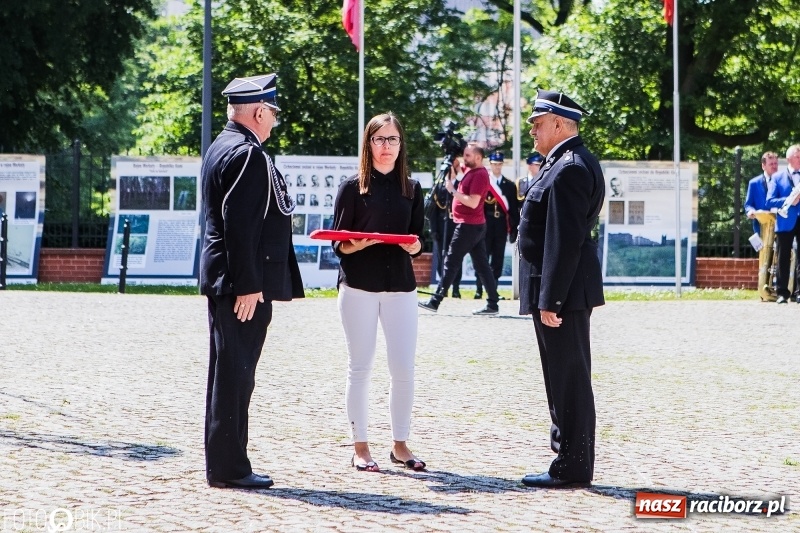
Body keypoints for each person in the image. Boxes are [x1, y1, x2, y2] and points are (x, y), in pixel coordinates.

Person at [200, 73, 304, 489]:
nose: (274, 122)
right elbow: (240, 226)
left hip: (229, 279)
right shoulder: (248, 155)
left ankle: (227, 462)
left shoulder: (223, 146)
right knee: (236, 374)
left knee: (230, 371)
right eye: (272, 114)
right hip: (240, 284)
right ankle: (229, 467)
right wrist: (247, 284)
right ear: (259, 112)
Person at [517, 89, 605, 488]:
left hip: (562, 292)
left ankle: (572, 465)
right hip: (559, 289)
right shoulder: (566, 161)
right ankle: (566, 457)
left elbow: (564, 238)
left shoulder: (569, 166)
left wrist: (550, 297)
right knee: (562, 375)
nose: (532, 130)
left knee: (568, 378)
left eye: (537, 124)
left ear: (558, 123)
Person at [332, 112, 426, 473]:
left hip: (400, 288)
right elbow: (339, 246)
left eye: (393, 140)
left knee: (403, 369)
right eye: (379, 139)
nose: (386, 147)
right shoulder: (351, 188)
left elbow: (420, 240)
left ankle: (400, 445)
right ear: (368, 143)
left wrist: (414, 247)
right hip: (358, 288)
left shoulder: (413, 189)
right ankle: (361, 447)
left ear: (401, 145)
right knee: (360, 367)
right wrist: (359, 244)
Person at [418, 143, 501, 315]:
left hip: (468, 226)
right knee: (482, 266)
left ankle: (435, 301)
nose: (465, 158)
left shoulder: (479, 175)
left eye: (468, 155)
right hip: (474, 225)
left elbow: (473, 202)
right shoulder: (472, 171)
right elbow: (457, 167)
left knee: (451, 262)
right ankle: (493, 304)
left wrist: (453, 191)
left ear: (478, 158)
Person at [474, 150, 519, 299]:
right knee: (482, 256)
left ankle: (494, 289)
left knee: (498, 258)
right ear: (490, 165)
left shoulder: (510, 186)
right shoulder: (485, 183)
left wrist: (514, 229)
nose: (497, 167)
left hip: (500, 225)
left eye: (499, 164)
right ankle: (479, 288)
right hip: (485, 225)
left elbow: (512, 209)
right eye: (494, 164)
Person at [766, 144, 800, 304]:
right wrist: (789, 201)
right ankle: (782, 293)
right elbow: (769, 201)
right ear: (789, 159)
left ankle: (799, 293)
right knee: (783, 257)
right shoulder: (777, 178)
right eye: (798, 157)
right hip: (785, 220)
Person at [426, 157, 463, 298]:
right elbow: (433, 212)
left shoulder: (460, 185)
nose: (458, 167)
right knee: (443, 257)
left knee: (456, 256)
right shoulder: (439, 186)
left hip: (456, 224)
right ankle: (443, 286)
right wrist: (434, 229)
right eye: (456, 165)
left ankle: (456, 287)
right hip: (442, 225)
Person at [745, 151, 778, 235]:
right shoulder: (754, 183)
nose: (774, 166)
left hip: (779, 227)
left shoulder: (783, 181)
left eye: (775, 163)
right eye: (771, 164)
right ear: (763, 166)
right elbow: (748, 204)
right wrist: (751, 211)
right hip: (760, 227)